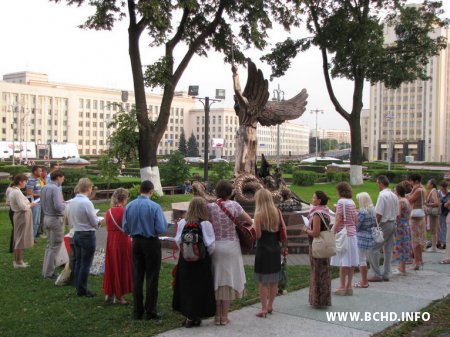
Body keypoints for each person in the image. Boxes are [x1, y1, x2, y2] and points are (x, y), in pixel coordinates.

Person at [207, 180, 253, 325]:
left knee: (217, 280)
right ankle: (224, 317)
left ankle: (216, 316)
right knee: (228, 280)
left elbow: (207, 224)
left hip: (216, 245)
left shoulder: (210, 207)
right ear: (231, 192)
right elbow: (250, 221)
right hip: (232, 245)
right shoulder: (235, 205)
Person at [123, 180, 168, 321]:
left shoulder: (129, 206)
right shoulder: (154, 206)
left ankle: (137, 311)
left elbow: (125, 227)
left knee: (137, 276)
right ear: (151, 191)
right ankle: (150, 311)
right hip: (150, 242)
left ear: (140, 190)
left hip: (136, 241)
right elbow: (161, 228)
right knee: (152, 276)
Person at [173, 197, 216, 328]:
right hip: (201, 261)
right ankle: (197, 314)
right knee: (200, 287)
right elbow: (211, 244)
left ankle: (189, 315)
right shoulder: (205, 224)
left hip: (185, 260)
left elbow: (177, 240)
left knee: (186, 286)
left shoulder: (182, 223)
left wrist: (185, 252)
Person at [253, 189, 287, 317]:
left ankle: (263, 308)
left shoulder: (259, 214)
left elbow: (258, 234)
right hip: (275, 247)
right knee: (274, 280)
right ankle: (270, 306)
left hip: (263, 248)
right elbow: (283, 229)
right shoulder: (277, 211)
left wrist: (253, 226)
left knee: (263, 281)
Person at [67, 178, 101, 297]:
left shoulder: (74, 200)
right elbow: (93, 221)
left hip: (77, 232)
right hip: (86, 234)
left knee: (79, 261)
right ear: (88, 188)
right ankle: (82, 289)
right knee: (85, 263)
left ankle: (78, 285)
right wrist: (98, 222)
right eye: (91, 187)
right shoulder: (86, 202)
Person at [301, 191, 332, 307]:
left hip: (316, 246)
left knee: (317, 272)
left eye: (314, 197)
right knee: (324, 272)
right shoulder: (325, 211)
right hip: (324, 246)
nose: (312, 199)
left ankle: (318, 300)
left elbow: (315, 232)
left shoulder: (317, 214)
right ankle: (324, 299)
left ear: (319, 201)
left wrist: (305, 230)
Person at [103, 188, 133, 305]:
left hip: (111, 241)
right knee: (122, 266)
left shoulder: (108, 212)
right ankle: (119, 295)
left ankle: (109, 293)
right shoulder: (124, 211)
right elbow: (128, 227)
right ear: (124, 199)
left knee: (111, 266)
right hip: (122, 241)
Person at [368, 175, 399, 281]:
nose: (377, 185)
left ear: (380, 183)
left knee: (373, 248)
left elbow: (379, 214)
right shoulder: (394, 195)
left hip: (384, 223)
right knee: (388, 250)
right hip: (393, 223)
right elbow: (397, 213)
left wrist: (373, 225)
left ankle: (377, 274)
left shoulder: (382, 195)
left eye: (377, 183)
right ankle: (386, 273)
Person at [330, 182, 359, 295]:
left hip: (344, 233)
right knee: (351, 262)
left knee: (343, 262)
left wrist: (332, 231)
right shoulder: (351, 202)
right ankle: (349, 286)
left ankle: (342, 287)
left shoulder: (341, 202)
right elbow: (355, 219)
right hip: (352, 234)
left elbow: (339, 219)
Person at [40, 170, 66, 279]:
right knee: (55, 246)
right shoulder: (55, 188)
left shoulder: (45, 187)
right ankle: (49, 273)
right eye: (63, 178)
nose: (63, 180)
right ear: (59, 177)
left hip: (47, 217)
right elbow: (58, 206)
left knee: (49, 245)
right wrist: (66, 206)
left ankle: (45, 271)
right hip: (55, 218)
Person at [9, 174, 37, 268]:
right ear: (20, 181)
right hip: (21, 216)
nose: (26, 183)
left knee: (19, 238)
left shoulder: (16, 191)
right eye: (25, 181)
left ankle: (18, 260)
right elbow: (23, 207)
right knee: (20, 239)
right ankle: (18, 261)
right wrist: (31, 205)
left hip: (20, 215)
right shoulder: (16, 192)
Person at [353, 192, 376, 288]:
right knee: (365, 258)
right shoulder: (372, 209)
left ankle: (364, 281)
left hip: (361, 237)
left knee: (361, 260)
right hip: (369, 235)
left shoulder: (362, 212)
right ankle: (364, 280)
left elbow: (357, 226)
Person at [406, 173, 426, 270]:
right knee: (418, 238)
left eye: (411, 181)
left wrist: (404, 196)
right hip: (420, 216)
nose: (410, 183)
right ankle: (420, 260)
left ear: (415, 181)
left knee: (414, 239)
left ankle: (416, 261)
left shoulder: (418, 190)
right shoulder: (420, 189)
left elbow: (410, 199)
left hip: (415, 217)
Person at [392, 184, 412, 276]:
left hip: (400, 227)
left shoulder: (400, 201)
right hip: (406, 225)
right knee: (404, 246)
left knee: (400, 247)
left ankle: (402, 269)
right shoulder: (406, 200)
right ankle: (401, 267)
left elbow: (398, 215)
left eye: (394, 190)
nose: (393, 192)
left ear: (398, 192)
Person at [26, 165, 42, 239]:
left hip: (38, 203)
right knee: (34, 221)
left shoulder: (37, 179)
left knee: (37, 221)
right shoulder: (31, 180)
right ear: (35, 172)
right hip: (34, 203)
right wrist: (40, 195)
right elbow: (29, 193)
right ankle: (31, 238)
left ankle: (33, 237)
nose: (41, 172)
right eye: (40, 171)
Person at [425, 179, 441, 252]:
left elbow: (436, 202)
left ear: (432, 184)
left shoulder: (433, 191)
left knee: (433, 229)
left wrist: (427, 204)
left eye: (428, 183)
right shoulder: (433, 191)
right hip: (433, 213)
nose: (427, 184)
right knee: (434, 229)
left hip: (433, 213)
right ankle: (434, 246)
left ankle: (434, 247)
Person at [438, 181, 450, 250]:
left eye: (444, 187)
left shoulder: (448, 193)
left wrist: (443, 203)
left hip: (446, 213)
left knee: (444, 227)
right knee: (441, 227)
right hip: (441, 212)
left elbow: (446, 205)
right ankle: (441, 242)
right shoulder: (439, 192)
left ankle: (444, 243)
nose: (443, 189)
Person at [6, 182, 15, 253]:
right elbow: (8, 202)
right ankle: (12, 248)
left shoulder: (13, 190)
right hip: (13, 210)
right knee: (15, 229)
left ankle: (15, 247)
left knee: (15, 229)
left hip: (14, 210)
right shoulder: (11, 190)